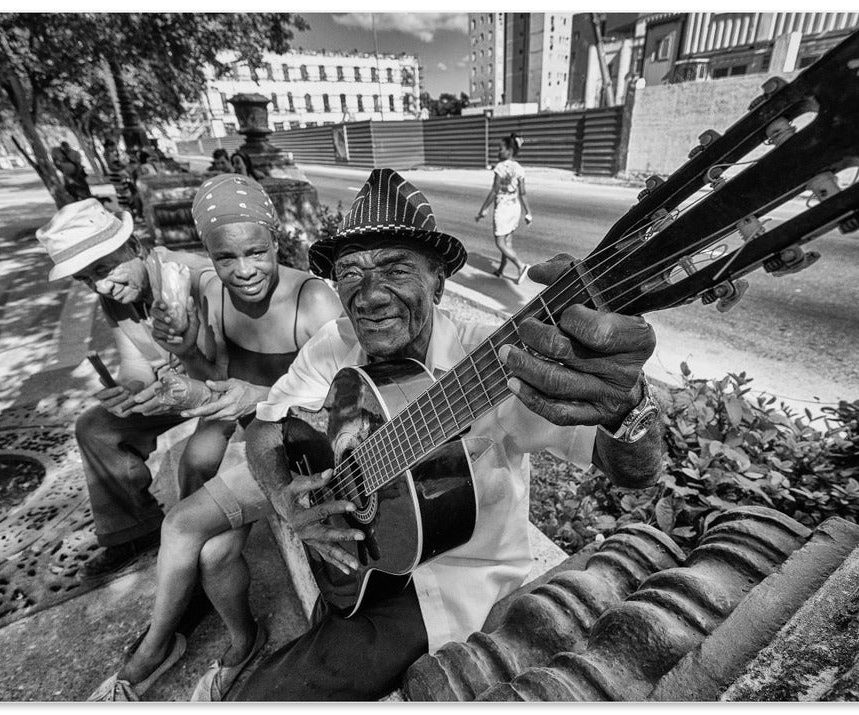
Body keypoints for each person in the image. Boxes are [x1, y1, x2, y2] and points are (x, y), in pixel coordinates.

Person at [229, 168, 664, 700]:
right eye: (350, 273)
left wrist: (631, 407)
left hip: (450, 588)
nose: (369, 296)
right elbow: (265, 427)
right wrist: (284, 497)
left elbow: (635, 471)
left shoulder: (497, 363)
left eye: (395, 268)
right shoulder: (333, 344)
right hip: (365, 562)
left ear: (438, 280)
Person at [87, 174, 343, 702]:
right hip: (251, 440)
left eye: (257, 252)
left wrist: (255, 397)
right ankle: (244, 642)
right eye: (226, 258)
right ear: (209, 257)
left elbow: (345, 400)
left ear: (277, 241)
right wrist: (181, 359)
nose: (244, 270)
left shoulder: (312, 299)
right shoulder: (212, 292)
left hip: (298, 448)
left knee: (182, 524)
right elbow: (214, 379)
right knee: (213, 554)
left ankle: (153, 651)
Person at [36, 199, 226, 580]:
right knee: (95, 427)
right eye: (87, 279)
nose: (101, 285)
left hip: (220, 385)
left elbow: (220, 371)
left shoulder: (193, 278)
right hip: (175, 387)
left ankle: (198, 566)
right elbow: (137, 363)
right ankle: (134, 531)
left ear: (136, 247)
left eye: (104, 269)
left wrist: (171, 386)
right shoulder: (116, 298)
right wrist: (130, 390)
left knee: (195, 463)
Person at [475, 133, 533, 284]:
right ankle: (501, 270)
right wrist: (528, 213)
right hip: (515, 208)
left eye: (500, 149)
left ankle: (521, 266)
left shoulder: (500, 167)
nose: (498, 152)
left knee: (500, 243)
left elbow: (494, 190)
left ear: (509, 150)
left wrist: (483, 209)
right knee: (507, 241)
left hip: (502, 209)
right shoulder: (520, 168)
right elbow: (523, 193)